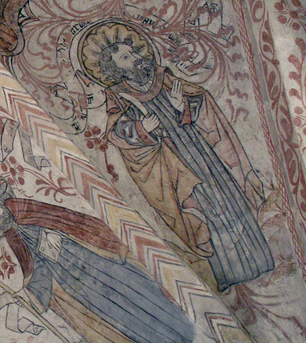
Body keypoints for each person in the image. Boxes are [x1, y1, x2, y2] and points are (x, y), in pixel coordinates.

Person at [88, 23, 274, 292]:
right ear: (116, 69)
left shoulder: (162, 76)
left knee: (226, 196)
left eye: (134, 52)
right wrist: (141, 128)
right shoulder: (118, 96)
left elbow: (199, 100)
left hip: (198, 150)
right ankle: (230, 273)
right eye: (126, 57)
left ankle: (259, 260)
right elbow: (117, 132)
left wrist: (181, 106)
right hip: (172, 162)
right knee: (203, 209)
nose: (136, 58)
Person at [0, 169, 195, 343]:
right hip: (74, 283)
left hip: (91, 259)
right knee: (112, 313)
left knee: (133, 289)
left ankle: (182, 328)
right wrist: (31, 292)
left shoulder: (26, 209)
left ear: (0, 201)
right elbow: (35, 267)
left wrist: (58, 239)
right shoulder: (12, 237)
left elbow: (68, 221)